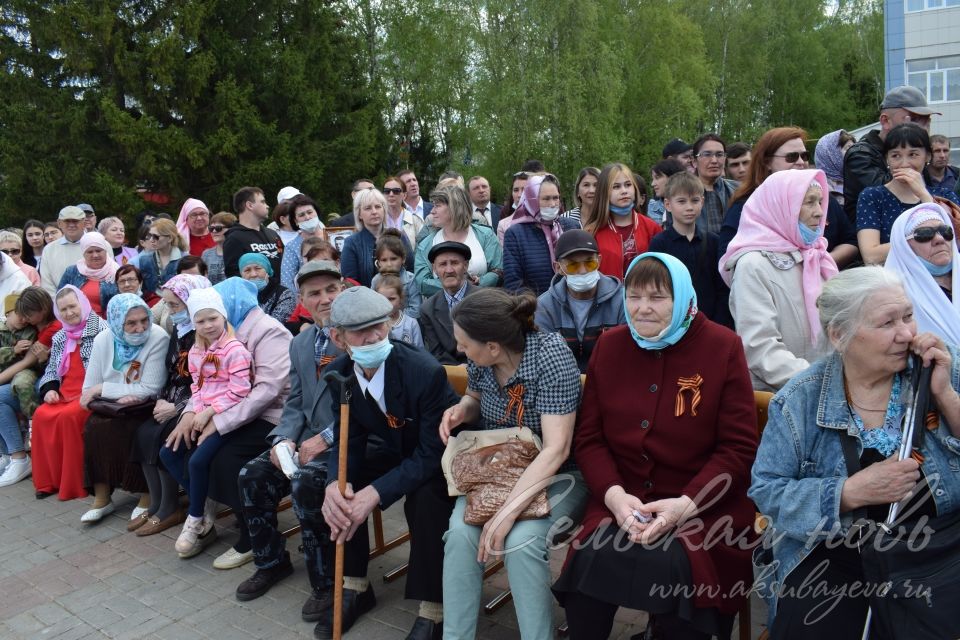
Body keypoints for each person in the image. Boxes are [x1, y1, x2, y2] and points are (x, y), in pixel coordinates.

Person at [552, 253, 757, 640]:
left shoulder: (722, 346)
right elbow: (591, 439)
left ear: (681, 297)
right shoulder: (611, 346)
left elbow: (738, 448)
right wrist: (614, 497)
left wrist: (687, 504)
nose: (642, 308)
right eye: (634, 296)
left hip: (702, 506)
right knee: (590, 561)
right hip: (625, 498)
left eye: (658, 297)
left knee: (682, 575)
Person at [749, 267, 960, 638]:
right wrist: (847, 493)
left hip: (943, 548)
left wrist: (944, 394)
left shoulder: (942, 366)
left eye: (908, 316)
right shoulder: (800, 400)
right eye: (886, 323)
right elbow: (767, 491)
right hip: (838, 553)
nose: (907, 333)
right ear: (839, 335)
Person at [440, 287, 588, 639]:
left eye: (464, 343)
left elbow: (557, 449)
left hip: (558, 474)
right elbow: (475, 396)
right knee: (460, 535)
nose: (459, 350)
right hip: (499, 468)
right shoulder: (483, 360)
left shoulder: (550, 356)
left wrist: (506, 513)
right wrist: (463, 409)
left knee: (522, 541)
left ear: (493, 346)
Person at [319, 286, 458, 640]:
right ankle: (353, 587)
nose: (374, 336)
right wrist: (338, 482)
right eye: (360, 331)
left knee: (426, 498)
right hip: (394, 450)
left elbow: (431, 454)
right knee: (333, 489)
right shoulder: (342, 376)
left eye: (380, 325)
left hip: (440, 456)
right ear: (338, 337)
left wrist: (375, 494)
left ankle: (434, 608)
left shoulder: (423, 372)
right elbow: (348, 437)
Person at [233, 260, 346, 618]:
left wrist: (325, 440)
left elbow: (369, 408)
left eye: (332, 289)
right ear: (302, 299)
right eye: (315, 293)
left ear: (343, 290)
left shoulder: (359, 336)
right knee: (252, 474)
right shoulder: (301, 342)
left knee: (306, 485)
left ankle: (328, 583)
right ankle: (271, 560)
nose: (325, 299)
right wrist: (283, 438)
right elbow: (296, 399)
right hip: (308, 440)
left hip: (348, 442)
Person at [169, 277, 291, 569]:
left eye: (217, 311)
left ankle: (252, 535)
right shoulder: (225, 334)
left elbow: (267, 391)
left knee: (225, 457)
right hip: (237, 410)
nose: (211, 320)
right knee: (174, 443)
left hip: (272, 415)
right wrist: (188, 415)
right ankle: (206, 512)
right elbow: (205, 384)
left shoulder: (268, 331)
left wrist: (219, 422)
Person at [720, 169, 838, 392]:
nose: (819, 212)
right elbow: (759, 347)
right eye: (809, 203)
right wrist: (820, 382)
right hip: (785, 398)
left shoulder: (818, 256)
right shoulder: (752, 265)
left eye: (820, 202)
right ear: (781, 207)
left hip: (829, 388)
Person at [160, 287, 253, 557]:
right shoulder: (196, 352)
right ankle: (205, 497)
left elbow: (240, 390)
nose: (208, 325)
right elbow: (197, 387)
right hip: (204, 413)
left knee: (198, 461)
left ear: (223, 316)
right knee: (169, 452)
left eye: (213, 318)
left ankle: (196, 517)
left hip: (228, 416)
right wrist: (194, 415)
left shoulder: (235, 351)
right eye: (200, 321)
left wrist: (209, 413)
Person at [130, 274, 211, 536]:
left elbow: (206, 382)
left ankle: (170, 506)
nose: (170, 311)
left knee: (165, 436)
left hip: (197, 402)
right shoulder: (180, 329)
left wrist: (177, 408)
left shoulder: (206, 331)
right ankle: (156, 503)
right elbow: (171, 371)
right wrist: (163, 399)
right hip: (174, 398)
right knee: (143, 432)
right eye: (168, 305)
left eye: (175, 305)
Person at [78, 293, 168, 524]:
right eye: (131, 323)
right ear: (117, 322)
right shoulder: (103, 339)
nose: (140, 328)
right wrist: (117, 392)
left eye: (144, 320)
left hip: (145, 406)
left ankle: (146, 494)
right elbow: (88, 388)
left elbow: (150, 387)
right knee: (93, 427)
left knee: (133, 429)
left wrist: (104, 388)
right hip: (113, 407)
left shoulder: (158, 337)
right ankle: (102, 497)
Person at [718, 126, 860, 267]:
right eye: (791, 156)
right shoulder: (747, 206)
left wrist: (817, 262)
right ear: (767, 162)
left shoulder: (822, 198)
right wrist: (790, 270)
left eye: (804, 156)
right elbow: (729, 259)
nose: (800, 162)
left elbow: (851, 241)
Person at [31, 286, 106, 500]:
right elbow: (52, 369)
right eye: (63, 309)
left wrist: (92, 391)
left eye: (73, 306)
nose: (69, 313)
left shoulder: (101, 329)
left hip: (91, 390)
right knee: (41, 415)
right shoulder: (60, 336)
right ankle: (48, 482)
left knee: (68, 417)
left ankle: (74, 484)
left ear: (82, 304)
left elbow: (108, 369)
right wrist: (50, 389)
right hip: (65, 392)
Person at [856, 123, 960, 265]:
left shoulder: (945, 195)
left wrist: (924, 195)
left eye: (913, 154)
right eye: (896, 155)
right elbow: (871, 256)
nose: (904, 163)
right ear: (887, 158)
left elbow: (952, 241)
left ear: (927, 156)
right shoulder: (872, 196)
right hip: (894, 281)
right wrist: (920, 241)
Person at [648, 172, 733, 328]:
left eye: (694, 201)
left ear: (702, 202)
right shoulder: (659, 244)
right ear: (668, 205)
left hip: (711, 322)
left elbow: (722, 288)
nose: (689, 207)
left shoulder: (714, 242)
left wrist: (719, 323)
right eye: (681, 201)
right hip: (673, 323)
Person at [844, 85, 938, 220]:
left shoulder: (921, 153)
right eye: (914, 119)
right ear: (885, 121)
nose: (921, 127)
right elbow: (893, 193)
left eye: (926, 120)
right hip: (870, 236)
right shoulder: (860, 154)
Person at [535, 230, 624, 372]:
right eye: (573, 265)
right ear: (558, 268)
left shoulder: (621, 300)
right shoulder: (544, 306)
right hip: (562, 385)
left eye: (589, 263)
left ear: (599, 261)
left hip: (611, 380)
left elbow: (625, 352)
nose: (583, 271)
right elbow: (543, 359)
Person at [885, 202, 960, 342]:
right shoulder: (892, 292)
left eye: (945, 231)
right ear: (905, 246)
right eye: (925, 234)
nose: (939, 239)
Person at [414, 185, 503, 297]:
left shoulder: (486, 235)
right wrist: (459, 285)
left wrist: (481, 282)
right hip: (444, 310)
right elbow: (422, 283)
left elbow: (498, 270)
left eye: (437, 206)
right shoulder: (426, 244)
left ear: (454, 207)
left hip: (483, 305)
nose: (432, 211)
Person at [503, 174, 579, 295]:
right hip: (535, 308)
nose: (553, 204)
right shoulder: (515, 234)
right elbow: (513, 283)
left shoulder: (571, 226)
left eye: (556, 198)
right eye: (546, 198)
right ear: (531, 199)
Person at [584, 163, 662, 280]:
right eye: (616, 187)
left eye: (628, 185)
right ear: (604, 192)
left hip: (644, 296)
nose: (624, 191)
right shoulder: (592, 232)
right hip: (607, 296)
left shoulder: (652, 228)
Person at [0, 294, 39, 486]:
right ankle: (6, 453)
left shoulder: (30, 331)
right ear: (7, 313)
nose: (24, 318)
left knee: (22, 384)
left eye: (26, 314)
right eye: (19, 313)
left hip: (25, 372)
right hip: (6, 374)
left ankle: (31, 427)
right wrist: (12, 351)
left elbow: (31, 361)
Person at [418, 242, 474, 365]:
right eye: (443, 264)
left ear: (465, 266)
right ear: (435, 269)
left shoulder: (484, 299)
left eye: (454, 263)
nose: (449, 270)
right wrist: (458, 373)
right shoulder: (428, 309)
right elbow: (437, 352)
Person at [341, 188, 398, 287]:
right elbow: (350, 282)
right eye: (368, 208)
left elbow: (410, 270)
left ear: (384, 210)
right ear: (359, 214)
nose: (374, 211)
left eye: (378, 206)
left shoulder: (397, 236)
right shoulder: (352, 243)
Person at [223, 186, 282, 280]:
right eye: (262, 202)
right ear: (250, 205)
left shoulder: (273, 234)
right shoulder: (234, 238)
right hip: (253, 293)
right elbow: (233, 276)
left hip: (279, 293)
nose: (267, 206)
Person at [57, 232, 119, 316]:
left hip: (107, 323)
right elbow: (60, 298)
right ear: (83, 253)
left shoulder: (116, 272)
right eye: (90, 252)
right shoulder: (72, 272)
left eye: (98, 250)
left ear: (105, 251)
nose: (95, 255)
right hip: (77, 322)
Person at [692, 134, 738, 235]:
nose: (714, 160)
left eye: (719, 154)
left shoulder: (739, 190)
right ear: (694, 162)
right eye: (707, 154)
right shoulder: (681, 193)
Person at [279, 194, 327, 290]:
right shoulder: (292, 247)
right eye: (301, 215)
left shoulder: (334, 237)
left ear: (316, 213)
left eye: (310, 212)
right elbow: (287, 282)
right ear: (295, 221)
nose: (307, 217)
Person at [370, 229, 421, 318]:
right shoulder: (375, 280)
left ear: (403, 259)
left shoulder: (411, 280)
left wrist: (395, 318)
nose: (389, 264)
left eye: (393, 259)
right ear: (378, 262)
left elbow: (416, 310)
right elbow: (372, 307)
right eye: (384, 260)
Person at [39, 206, 86, 296]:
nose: (71, 225)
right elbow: (47, 284)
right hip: (61, 305)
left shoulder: (100, 244)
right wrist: (57, 306)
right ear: (59, 223)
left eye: (75, 221)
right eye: (67, 221)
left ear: (84, 223)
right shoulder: (49, 250)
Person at [239, 252, 296, 325]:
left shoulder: (285, 294)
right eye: (247, 270)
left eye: (258, 268)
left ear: (267, 271)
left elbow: (274, 326)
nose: (253, 274)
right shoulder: (238, 296)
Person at [138, 218, 186, 299]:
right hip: (153, 305)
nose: (151, 240)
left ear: (170, 238)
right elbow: (144, 291)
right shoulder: (144, 260)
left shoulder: (185, 259)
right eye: (149, 236)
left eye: (156, 236)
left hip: (178, 304)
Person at [374, 274, 423, 347]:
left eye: (391, 299)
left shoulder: (411, 323)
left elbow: (420, 351)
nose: (387, 303)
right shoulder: (374, 324)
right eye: (382, 299)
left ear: (400, 299)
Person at [814, 129, 855, 204]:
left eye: (854, 148)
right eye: (848, 148)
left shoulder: (856, 179)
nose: (854, 152)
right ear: (831, 155)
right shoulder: (817, 189)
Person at [383, 176, 424, 249]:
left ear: (404, 195)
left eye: (396, 191)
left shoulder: (416, 220)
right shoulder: (378, 220)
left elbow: (422, 250)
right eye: (387, 191)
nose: (391, 194)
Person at [648, 159, 688, 227]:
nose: (652, 184)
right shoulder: (652, 208)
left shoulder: (693, 204)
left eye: (657, 178)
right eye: (653, 179)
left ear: (672, 177)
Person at [201, 212, 236, 285]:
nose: (214, 231)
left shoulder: (239, 252)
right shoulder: (206, 254)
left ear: (231, 229)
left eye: (218, 228)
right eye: (211, 228)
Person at [497, 172, 528, 244]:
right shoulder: (503, 225)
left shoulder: (543, 220)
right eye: (516, 190)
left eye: (524, 190)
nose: (519, 195)